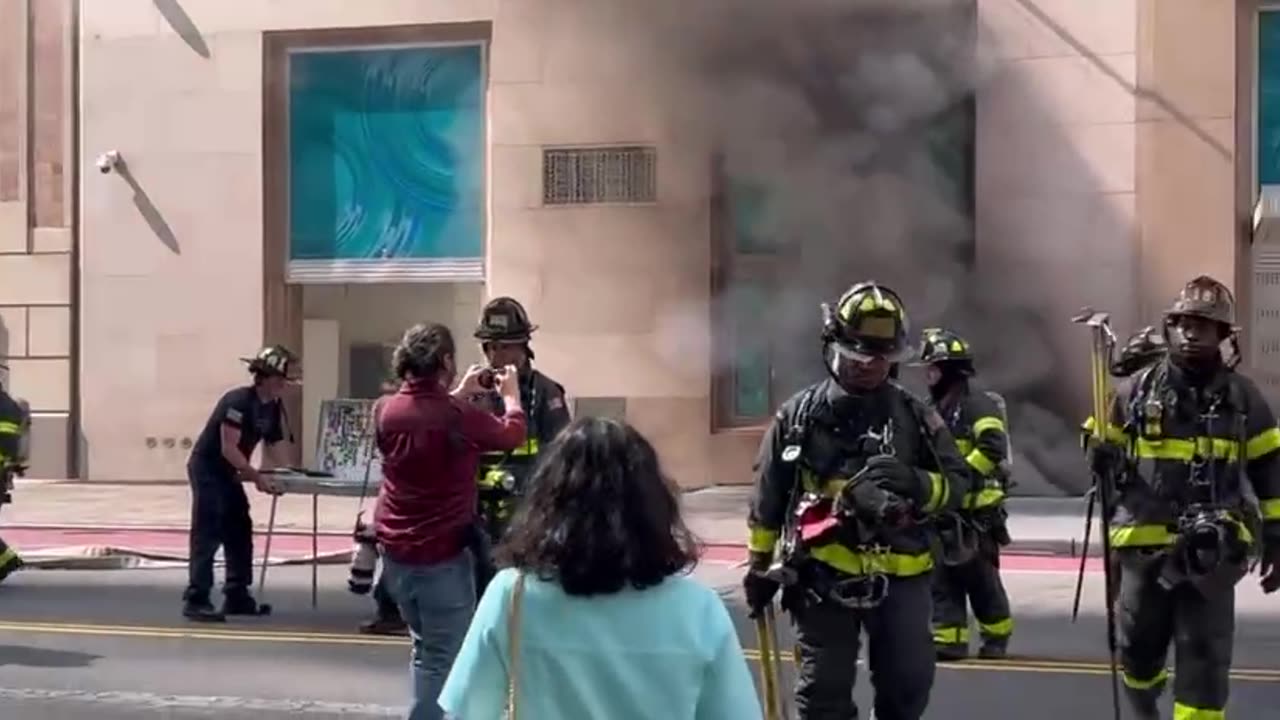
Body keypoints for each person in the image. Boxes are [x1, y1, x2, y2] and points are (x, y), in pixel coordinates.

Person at [744, 281, 972, 720]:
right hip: (821, 579)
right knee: (822, 697)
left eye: (882, 358)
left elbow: (960, 485)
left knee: (907, 690)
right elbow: (768, 497)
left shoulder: (917, 417)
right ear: (832, 347)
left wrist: (917, 485)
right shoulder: (798, 417)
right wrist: (758, 566)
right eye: (859, 356)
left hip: (904, 579)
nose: (870, 367)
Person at [440, 417, 761, 720]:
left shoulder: (512, 595)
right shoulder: (698, 608)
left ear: (547, 501)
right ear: (653, 503)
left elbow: (468, 709)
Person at [1085, 275, 1280, 720]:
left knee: (1205, 660)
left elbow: (1270, 468)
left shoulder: (1245, 399)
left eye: (1204, 325)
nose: (1192, 332)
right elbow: (1099, 445)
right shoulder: (1134, 391)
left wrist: (1277, 536)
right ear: (1170, 327)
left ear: (1223, 336)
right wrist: (1098, 453)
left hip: (1215, 551)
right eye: (1184, 323)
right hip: (1142, 546)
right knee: (1137, 650)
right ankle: (1143, 701)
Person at [374, 323, 527, 720]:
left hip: (395, 554)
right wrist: (511, 398)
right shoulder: (456, 415)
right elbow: (511, 435)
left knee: (426, 649)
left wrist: (459, 393)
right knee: (445, 656)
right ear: (444, 360)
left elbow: (427, 420)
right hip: (440, 555)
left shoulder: (386, 410)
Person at [912, 328, 1014, 661]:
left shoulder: (977, 405)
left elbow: (992, 447)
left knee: (982, 581)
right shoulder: (930, 408)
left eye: (933, 368)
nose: (928, 375)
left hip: (976, 515)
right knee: (941, 580)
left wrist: (962, 479)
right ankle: (949, 640)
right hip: (942, 512)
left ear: (950, 370)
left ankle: (995, 638)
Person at [182, 345, 297, 622]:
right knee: (208, 531)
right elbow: (228, 448)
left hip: (231, 472)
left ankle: (236, 593)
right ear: (265, 376)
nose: (284, 383)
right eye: (280, 377)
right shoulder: (237, 401)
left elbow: (275, 444)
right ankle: (197, 597)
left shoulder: (272, 406)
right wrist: (256, 477)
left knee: (239, 528)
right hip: (209, 469)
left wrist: (287, 474)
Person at [470, 296, 572, 596]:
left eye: (506, 346)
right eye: (492, 346)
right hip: (478, 520)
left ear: (523, 347)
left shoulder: (545, 393)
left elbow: (560, 456)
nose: (497, 355)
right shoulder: (475, 391)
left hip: (526, 517)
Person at [0, 362, 28, 584]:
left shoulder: (4, 406)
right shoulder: (7, 404)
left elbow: (5, 443)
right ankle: (7, 562)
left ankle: (7, 562)